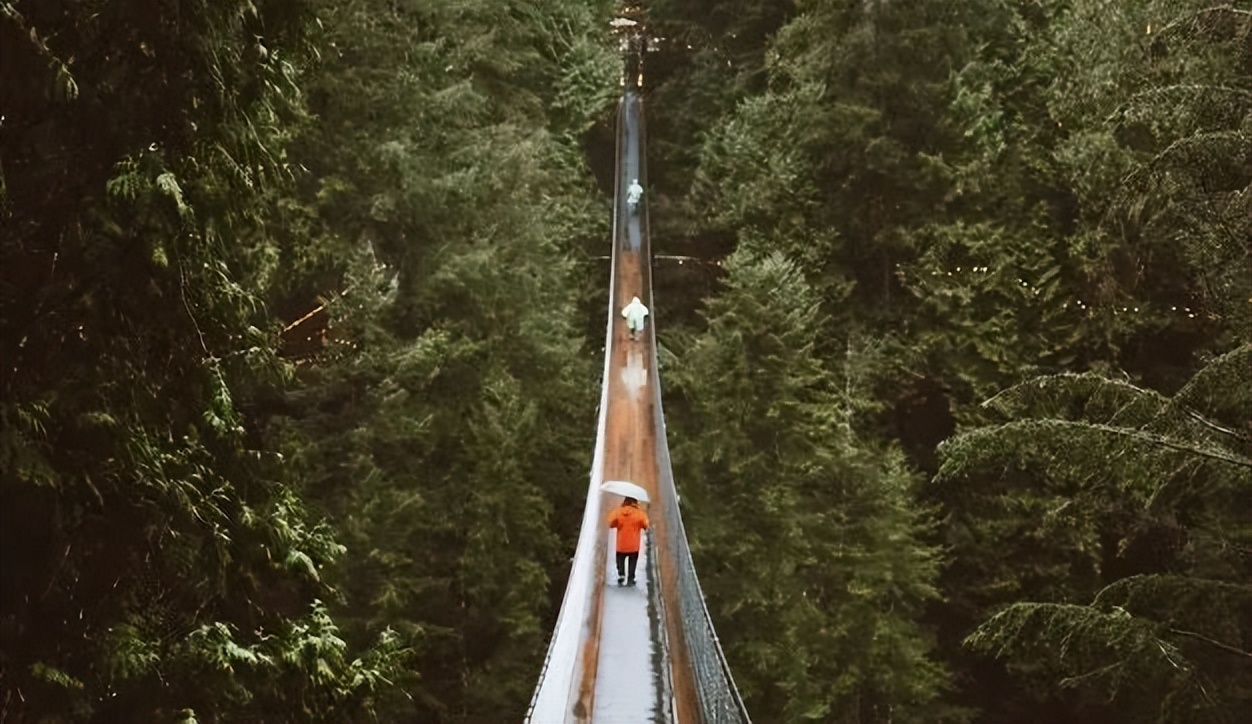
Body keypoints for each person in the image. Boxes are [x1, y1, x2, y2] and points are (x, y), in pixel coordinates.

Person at [608, 496, 649, 586]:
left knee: (620, 560)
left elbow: (611, 523)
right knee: (633, 561)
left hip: (621, 545)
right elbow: (646, 525)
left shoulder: (618, 512)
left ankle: (621, 574)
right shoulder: (639, 514)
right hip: (634, 546)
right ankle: (631, 577)